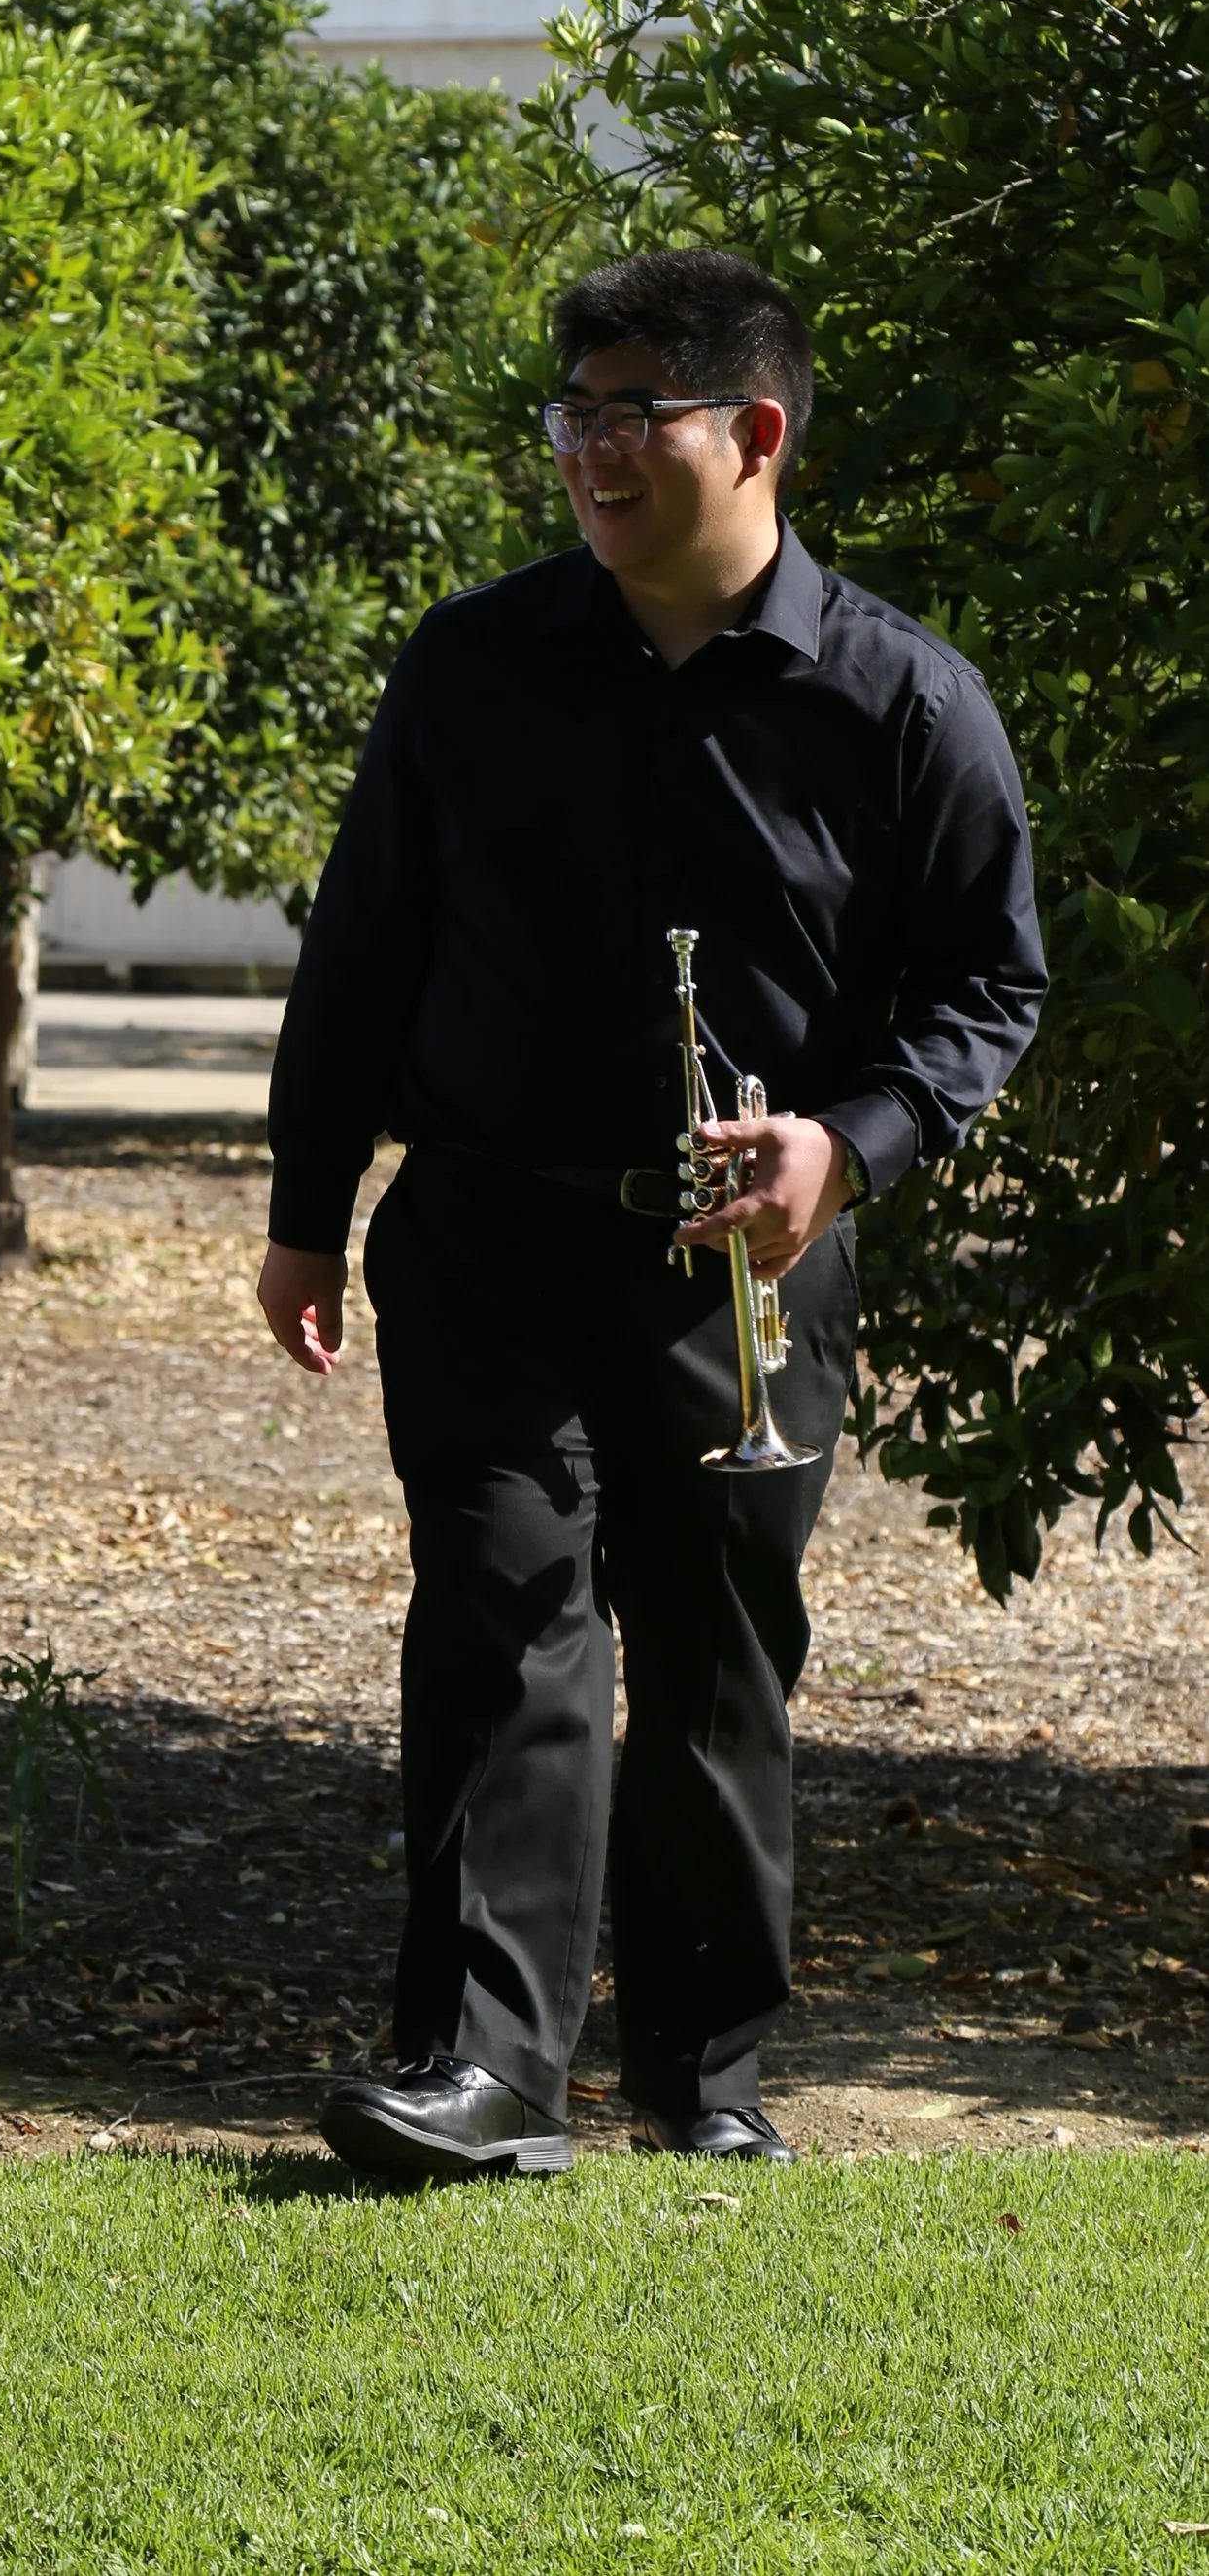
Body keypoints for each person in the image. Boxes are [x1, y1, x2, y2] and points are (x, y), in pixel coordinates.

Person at [258, 249, 1044, 2182]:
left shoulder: (900, 700)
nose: (587, 453)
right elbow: (361, 953)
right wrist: (302, 1206)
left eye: (631, 414)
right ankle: (479, 2075)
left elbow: (980, 991)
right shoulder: (469, 662)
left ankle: (701, 2077)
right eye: (572, 416)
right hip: (483, 1235)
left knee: (710, 1653)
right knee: (502, 1625)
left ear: (750, 433)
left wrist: (841, 1148)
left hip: (743, 1265)